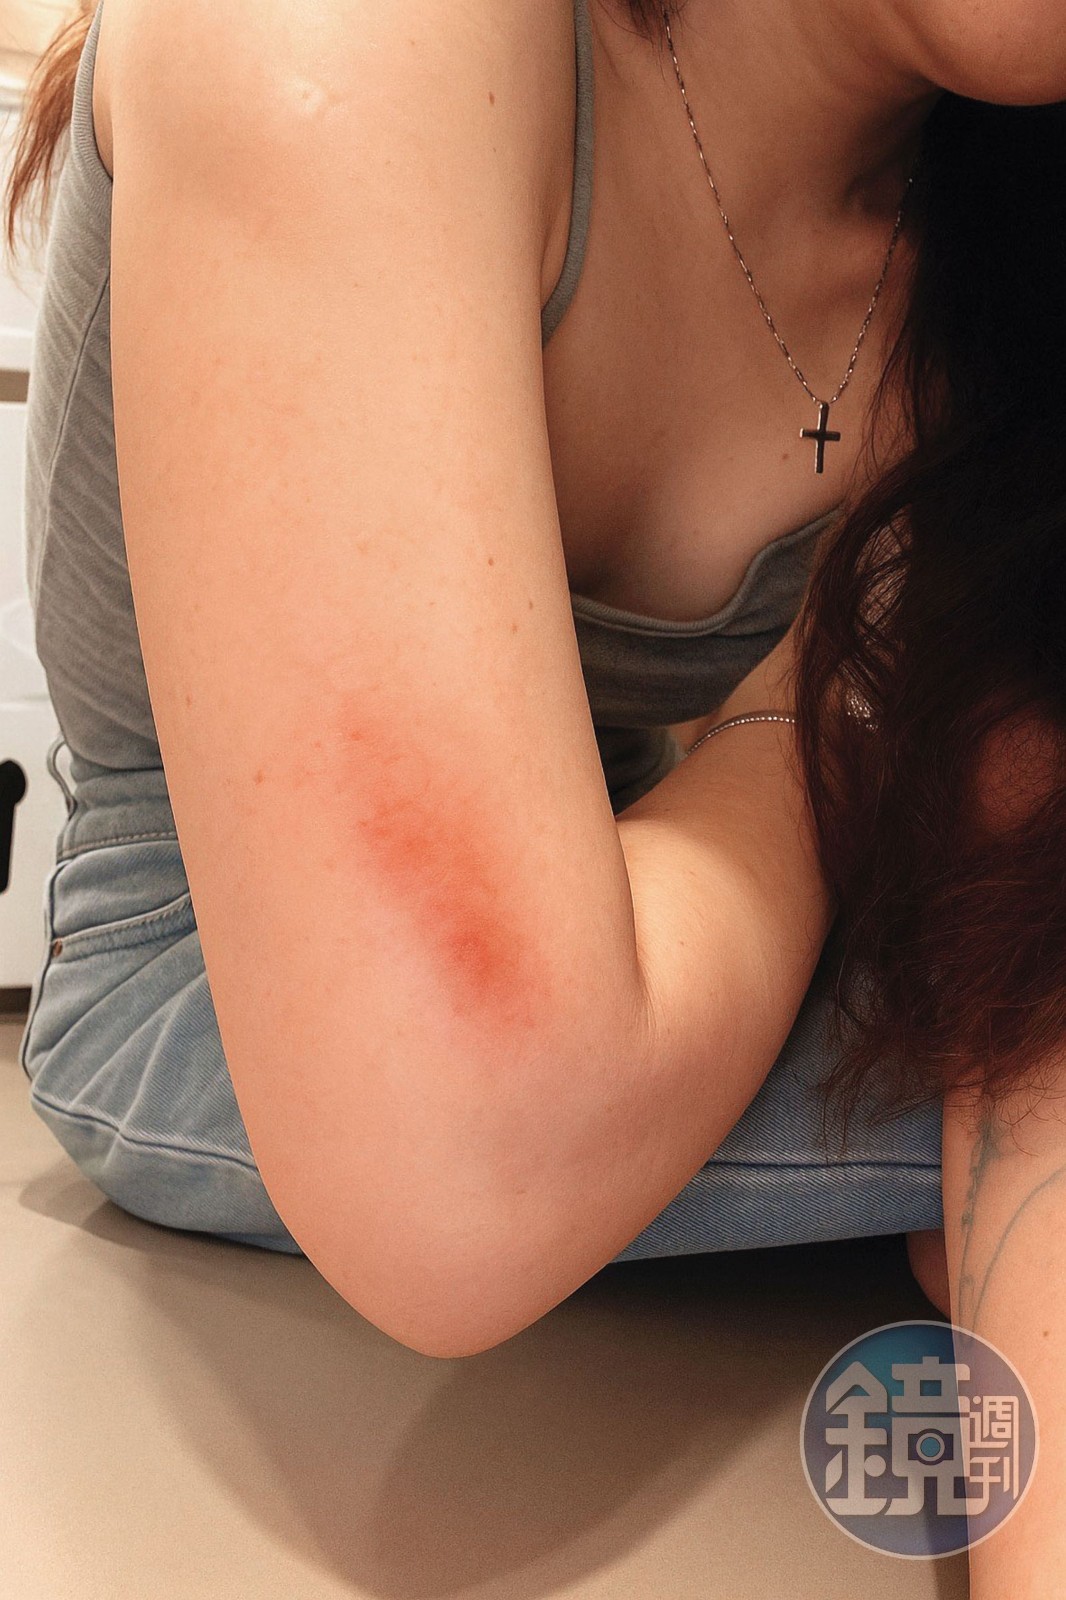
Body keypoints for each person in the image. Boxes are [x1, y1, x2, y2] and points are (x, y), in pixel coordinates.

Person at [4, 0, 1065, 1581]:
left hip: (663, 902)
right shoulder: (358, 40)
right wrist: (830, 705)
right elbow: (467, 1151)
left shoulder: (992, 222)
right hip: (217, 987)